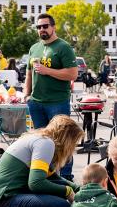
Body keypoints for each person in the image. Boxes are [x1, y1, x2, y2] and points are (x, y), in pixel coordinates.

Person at [25, 13, 79, 180]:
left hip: (57, 103)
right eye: (39, 27)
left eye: (45, 26)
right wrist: (27, 95)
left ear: (53, 27)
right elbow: (29, 73)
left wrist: (47, 71)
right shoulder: (34, 48)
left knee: (63, 141)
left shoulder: (63, 47)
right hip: (36, 103)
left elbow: (73, 74)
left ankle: (66, 176)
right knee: (42, 141)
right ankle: (47, 175)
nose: (42, 29)